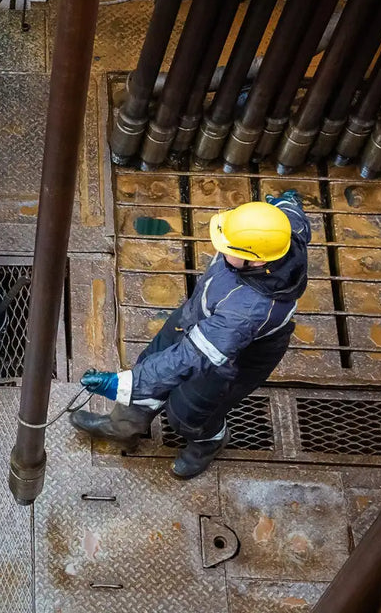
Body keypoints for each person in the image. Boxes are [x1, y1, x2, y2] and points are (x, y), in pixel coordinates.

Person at [73, 191, 310, 478]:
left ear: (256, 262)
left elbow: (192, 357)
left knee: (189, 412)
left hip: (229, 358)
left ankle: (208, 442)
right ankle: (123, 428)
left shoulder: (247, 312)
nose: (221, 248)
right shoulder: (280, 232)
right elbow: (292, 213)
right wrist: (284, 202)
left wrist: (122, 385)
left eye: (229, 248)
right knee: (152, 362)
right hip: (195, 318)